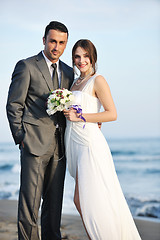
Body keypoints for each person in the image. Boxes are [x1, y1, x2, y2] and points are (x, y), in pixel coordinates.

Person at [64, 39, 142, 239]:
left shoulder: (97, 80)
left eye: (86, 56)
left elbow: (112, 113)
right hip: (75, 143)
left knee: (87, 203)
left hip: (90, 145)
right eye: (77, 56)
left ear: (93, 57)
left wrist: (82, 117)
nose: (81, 61)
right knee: (85, 202)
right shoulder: (74, 82)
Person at [6, 21, 74, 240]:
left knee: (54, 208)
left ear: (66, 44)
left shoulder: (68, 72)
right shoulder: (26, 66)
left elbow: (74, 105)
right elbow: (14, 104)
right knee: (30, 207)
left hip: (60, 148)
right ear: (44, 40)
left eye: (61, 43)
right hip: (33, 144)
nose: (56, 47)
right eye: (53, 41)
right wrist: (21, 137)